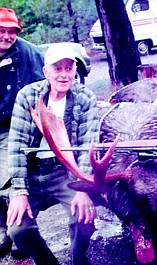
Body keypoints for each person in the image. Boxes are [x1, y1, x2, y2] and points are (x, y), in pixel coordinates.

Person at [6, 43, 99, 265]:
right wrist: (18, 191)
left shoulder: (85, 97)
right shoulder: (27, 96)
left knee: (84, 219)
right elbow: (16, 144)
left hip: (66, 173)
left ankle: (79, 261)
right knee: (17, 230)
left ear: (75, 70)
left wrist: (83, 188)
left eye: (69, 68)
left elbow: (89, 144)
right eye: (57, 68)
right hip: (32, 174)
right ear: (45, 71)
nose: (64, 74)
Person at [0, 7, 44, 258]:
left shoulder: (29, 53)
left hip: (13, 125)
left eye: (11, 32)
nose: (6, 36)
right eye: (1, 31)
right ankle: (2, 227)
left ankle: (19, 232)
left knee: (7, 175)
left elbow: (44, 87)